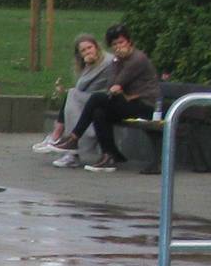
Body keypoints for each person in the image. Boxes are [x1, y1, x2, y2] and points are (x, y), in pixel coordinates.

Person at [69, 25, 160, 173]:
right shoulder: (118, 61)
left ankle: (74, 138)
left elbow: (119, 82)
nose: (118, 47)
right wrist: (117, 64)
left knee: (97, 98)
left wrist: (117, 66)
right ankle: (108, 155)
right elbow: (111, 85)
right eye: (114, 44)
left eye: (121, 42)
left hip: (145, 105)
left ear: (129, 42)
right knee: (99, 112)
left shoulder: (137, 59)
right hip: (130, 103)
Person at [34, 34, 114, 164]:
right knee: (72, 96)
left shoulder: (106, 61)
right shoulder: (91, 62)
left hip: (103, 98)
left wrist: (88, 66)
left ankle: (60, 139)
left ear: (96, 47)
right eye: (83, 50)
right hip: (89, 98)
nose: (88, 51)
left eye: (90, 47)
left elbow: (81, 86)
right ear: (79, 54)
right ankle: (65, 144)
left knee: (72, 94)